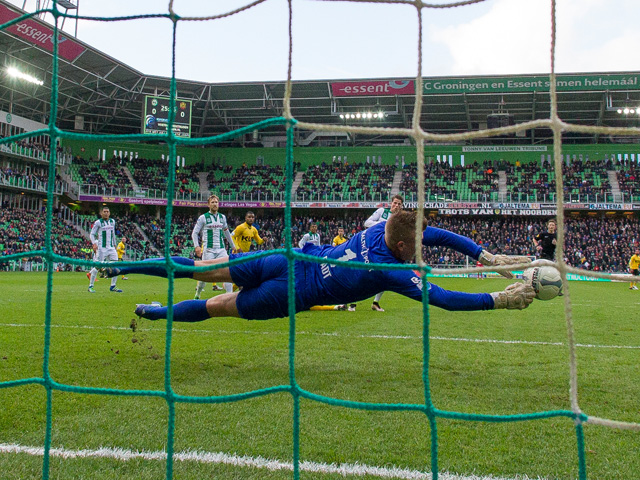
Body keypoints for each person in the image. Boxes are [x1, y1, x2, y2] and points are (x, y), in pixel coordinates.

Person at [105, 211, 534, 323]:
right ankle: (158, 313)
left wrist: (487, 258)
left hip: (286, 258)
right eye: (416, 246)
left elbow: (437, 236)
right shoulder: (392, 272)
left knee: (203, 269)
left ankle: (126, 269)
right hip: (291, 293)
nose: (423, 249)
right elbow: (442, 297)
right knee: (218, 305)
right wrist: (498, 300)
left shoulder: (384, 226)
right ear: (403, 245)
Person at [364, 194, 404, 311]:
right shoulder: (382, 212)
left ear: (401, 207)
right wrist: (383, 225)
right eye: (395, 203)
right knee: (363, 274)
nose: (396, 205)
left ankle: (375, 302)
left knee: (385, 277)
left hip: (386, 251)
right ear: (391, 203)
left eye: (399, 204)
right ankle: (352, 302)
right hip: (373, 247)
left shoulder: (400, 220)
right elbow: (367, 223)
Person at [191, 194, 235, 299]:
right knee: (205, 274)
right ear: (208, 204)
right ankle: (198, 293)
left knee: (228, 270)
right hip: (208, 250)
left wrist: (233, 246)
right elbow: (194, 233)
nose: (215, 204)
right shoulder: (203, 218)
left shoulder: (222, 217)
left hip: (221, 249)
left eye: (216, 202)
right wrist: (197, 246)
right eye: (213, 202)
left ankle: (229, 296)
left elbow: (226, 232)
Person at [88, 205, 122, 293]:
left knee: (116, 266)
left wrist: (114, 244)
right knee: (98, 266)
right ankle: (90, 286)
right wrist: (94, 244)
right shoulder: (98, 222)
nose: (106, 213)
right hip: (102, 249)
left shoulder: (112, 221)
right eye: (104, 212)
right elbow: (92, 234)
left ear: (109, 213)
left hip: (111, 248)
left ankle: (113, 286)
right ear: (101, 213)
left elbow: (113, 233)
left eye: (107, 212)